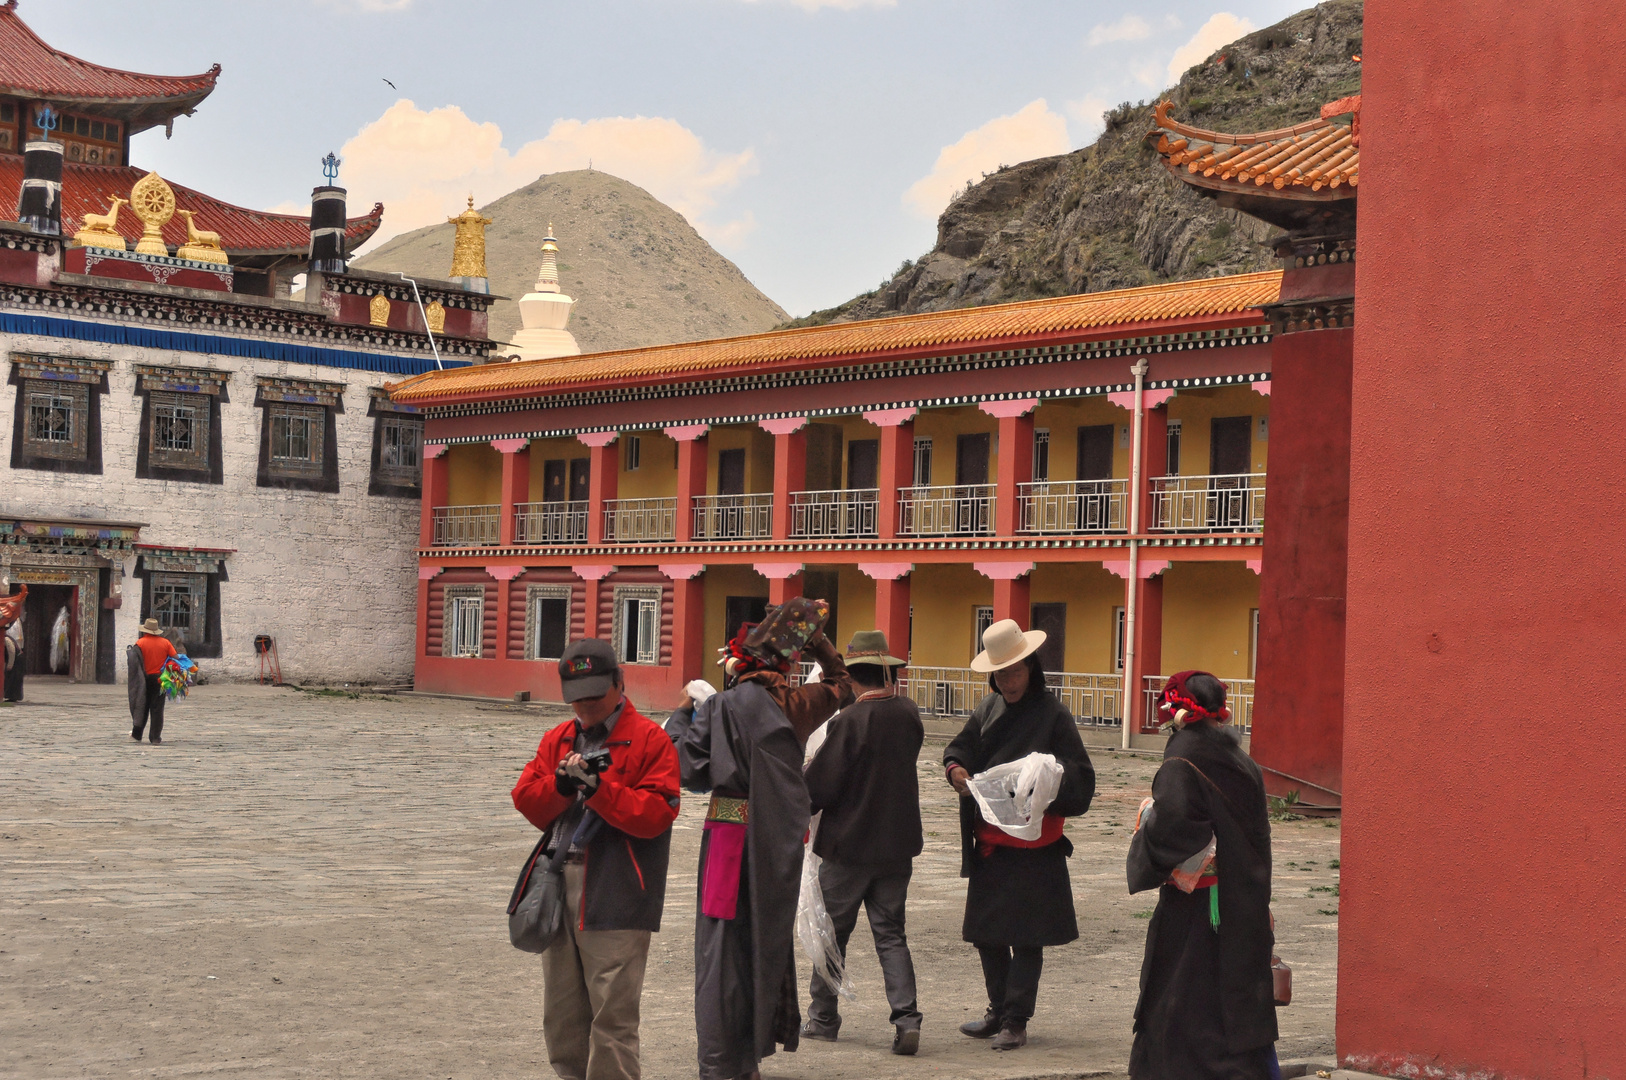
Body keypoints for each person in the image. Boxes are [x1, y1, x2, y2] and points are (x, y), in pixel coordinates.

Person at [665, 599, 855, 1080]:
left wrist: (684, 712)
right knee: (765, 941)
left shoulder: (720, 708)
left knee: (720, 948)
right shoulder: (796, 705)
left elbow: (685, 768)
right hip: (777, 844)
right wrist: (821, 645)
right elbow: (841, 683)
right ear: (783, 666)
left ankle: (720, 1060)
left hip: (729, 837)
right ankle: (750, 1055)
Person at [511, 639, 681, 1080]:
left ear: (619, 683)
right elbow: (526, 800)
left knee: (613, 1017)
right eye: (576, 697)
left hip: (617, 887)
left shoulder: (650, 740)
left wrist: (600, 791)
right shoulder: (558, 738)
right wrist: (562, 789)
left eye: (594, 695)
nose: (584, 707)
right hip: (557, 880)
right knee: (562, 1013)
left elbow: (657, 814)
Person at [942, 618, 1095, 1051]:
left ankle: (1017, 1019)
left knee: (1027, 936)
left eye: (1015, 671)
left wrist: (1042, 788)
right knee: (986, 933)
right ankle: (998, 1009)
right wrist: (955, 769)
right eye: (1001, 673)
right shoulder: (988, 710)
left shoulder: (1054, 716)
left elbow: (1081, 779)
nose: (1008, 681)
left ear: (1031, 668)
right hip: (991, 842)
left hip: (1034, 845)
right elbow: (960, 747)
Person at [1126, 671, 1276, 1080]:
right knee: (1237, 1003)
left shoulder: (1181, 757)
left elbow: (1174, 830)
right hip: (1243, 901)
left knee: (1182, 1002)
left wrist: (1146, 822)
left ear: (1176, 712)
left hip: (1196, 909)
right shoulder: (1242, 761)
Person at [800, 630, 925, 1055]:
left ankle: (823, 1018)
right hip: (897, 845)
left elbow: (821, 787)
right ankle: (906, 1018)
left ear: (851, 678)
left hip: (849, 847)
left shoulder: (849, 721)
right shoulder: (909, 713)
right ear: (887, 671)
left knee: (832, 934)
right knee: (891, 933)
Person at [132, 619, 178, 743]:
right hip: (160, 679)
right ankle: (155, 737)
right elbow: (176, 657)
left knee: (142, 706)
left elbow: (134, 661)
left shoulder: (140, 643)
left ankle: (137, 734)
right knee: (157, 709)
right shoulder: (165, 643)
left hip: (144, 679)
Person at [2, 584, 24, 703]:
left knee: (14, 678)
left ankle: (13, 697)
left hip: (16, 658)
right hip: (15, 657)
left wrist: (9, 664)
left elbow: (10, 649)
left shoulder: (5, 639)